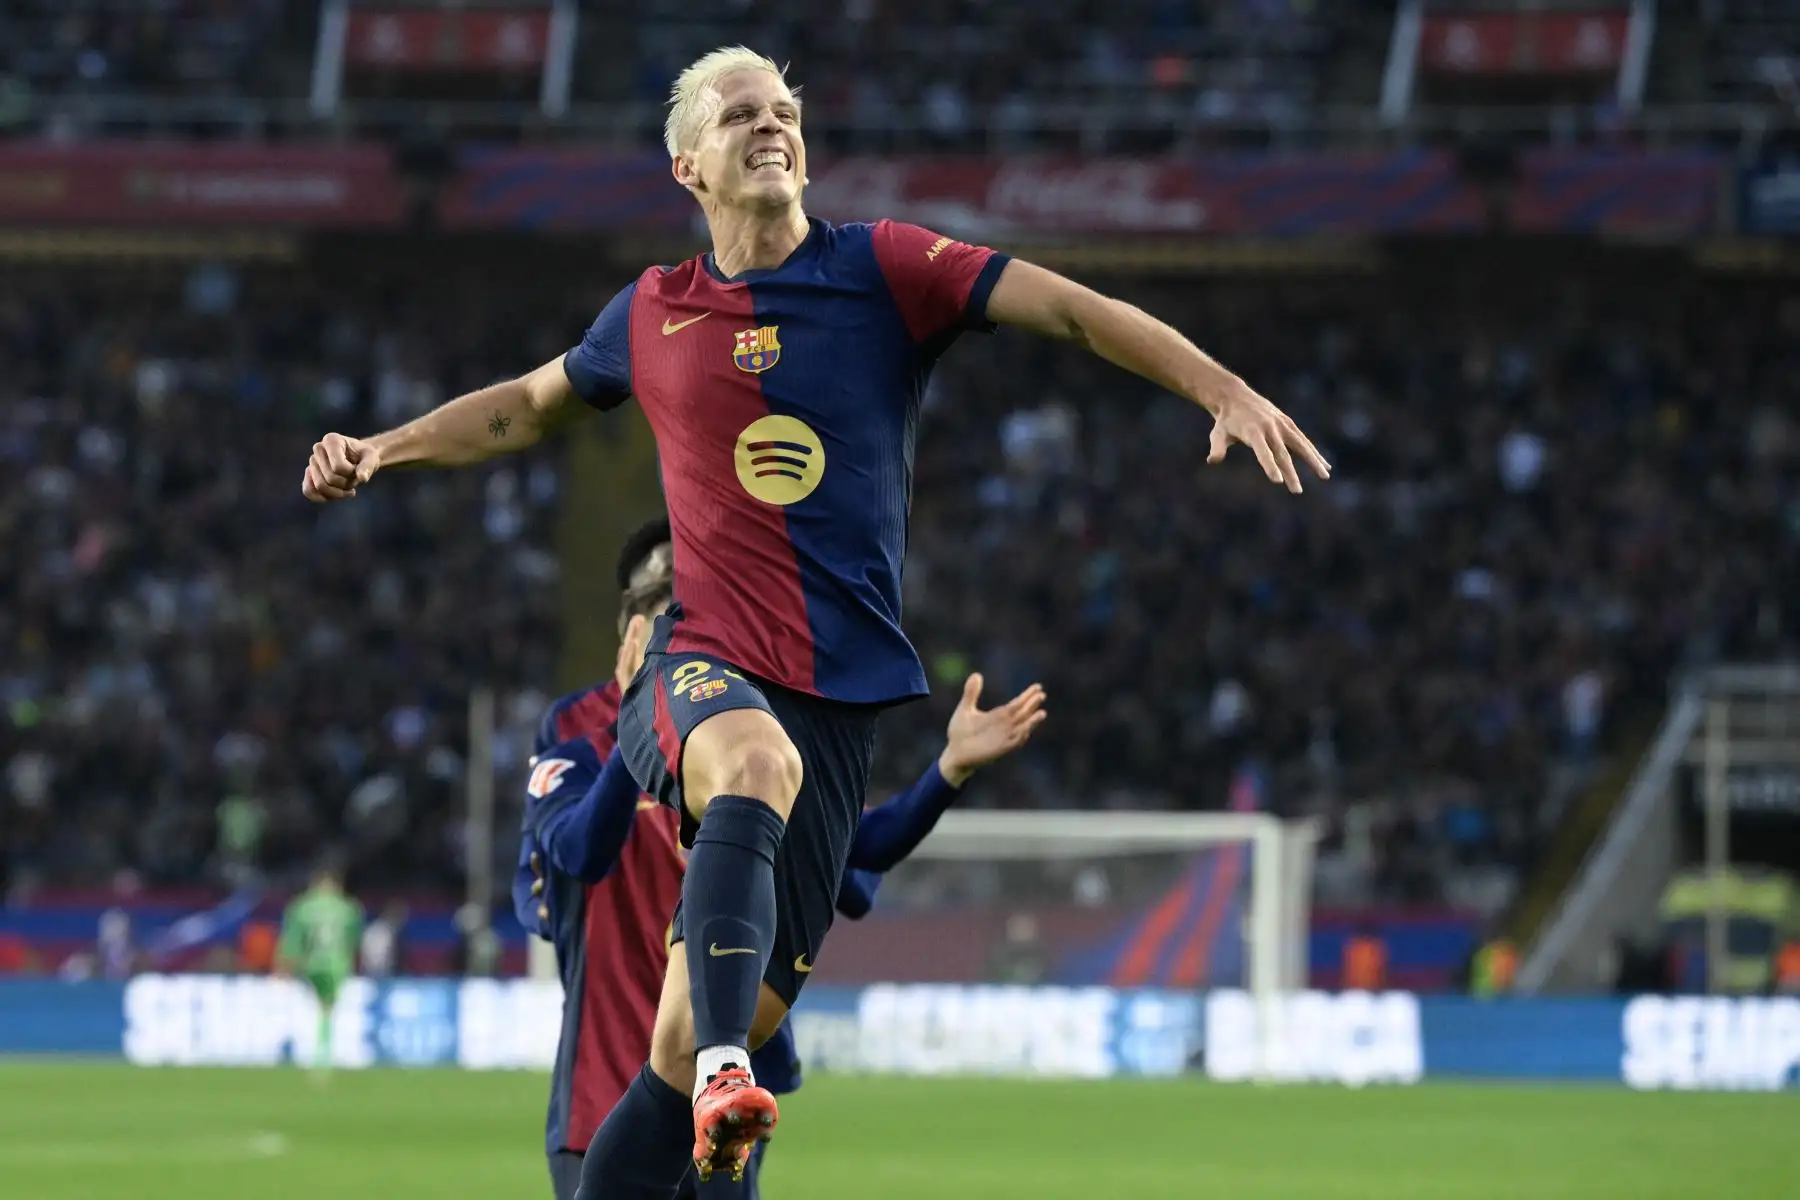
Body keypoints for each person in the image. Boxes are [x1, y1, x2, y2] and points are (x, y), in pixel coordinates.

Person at [300, 45, 1325, 1192]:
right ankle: (739, 1067)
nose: (772, 124)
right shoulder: (649, 310)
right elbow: (523, 410)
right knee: (748, 779)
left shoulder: (888, 269)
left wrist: (1221, 387)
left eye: (784, 108)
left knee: (673, 1055)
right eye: (741, 114)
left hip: (841, 703)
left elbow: (1075, 312)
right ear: (688, 164)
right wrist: (381, 449)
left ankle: (713, 1068)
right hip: (698, 668)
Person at [519, 517, 1045, 1200]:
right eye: (658, 611)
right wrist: (641, 723)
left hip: (724, 1083)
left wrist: (946, 771)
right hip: (604, 1084)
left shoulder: (758, 741)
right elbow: (573, 856)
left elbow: (855, 869)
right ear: (630, 632)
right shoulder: (574, 738)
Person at [275, 860, 365, 1073]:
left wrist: (284, 965)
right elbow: (355, 941)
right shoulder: (349, 908)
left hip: (310, 964)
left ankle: (311, 1054)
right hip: (338, 965)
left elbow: (292, 941)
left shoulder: (301, 906)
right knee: (329, 1009)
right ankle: (324, 1055)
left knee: (310, 1010)